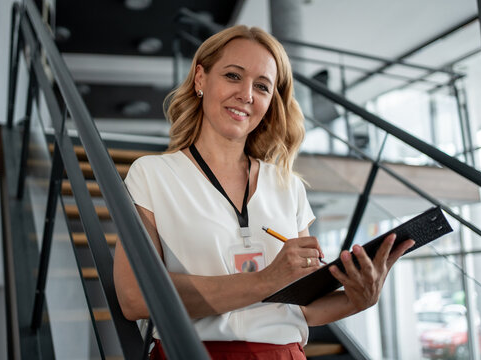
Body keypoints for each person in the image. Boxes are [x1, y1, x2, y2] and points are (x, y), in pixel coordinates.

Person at [113, 25, 414, 359]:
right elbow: (134, 297)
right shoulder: (152, 175)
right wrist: (266, 281)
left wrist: (359, 299)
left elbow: (302, 310)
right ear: (200, 79)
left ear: (271, 101)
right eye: (232, 76)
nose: (247, 95)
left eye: (262, 86)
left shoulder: (288, 186)